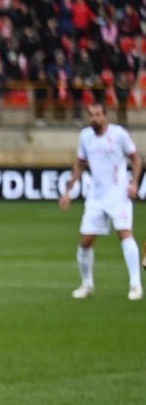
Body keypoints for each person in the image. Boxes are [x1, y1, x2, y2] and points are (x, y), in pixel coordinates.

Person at [60, 103, 142, 301]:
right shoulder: (86, 136)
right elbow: (80, 164)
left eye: (97, 115)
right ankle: (87, 285)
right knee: (86, 241)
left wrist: (134, 184)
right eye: (91, 115)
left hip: (118, 194)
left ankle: (135, 284)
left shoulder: (119, 134)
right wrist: (68, 192)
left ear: (105, 116)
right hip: (96, 196)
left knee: (125, 234)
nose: (94, 118)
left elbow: (136, 158)